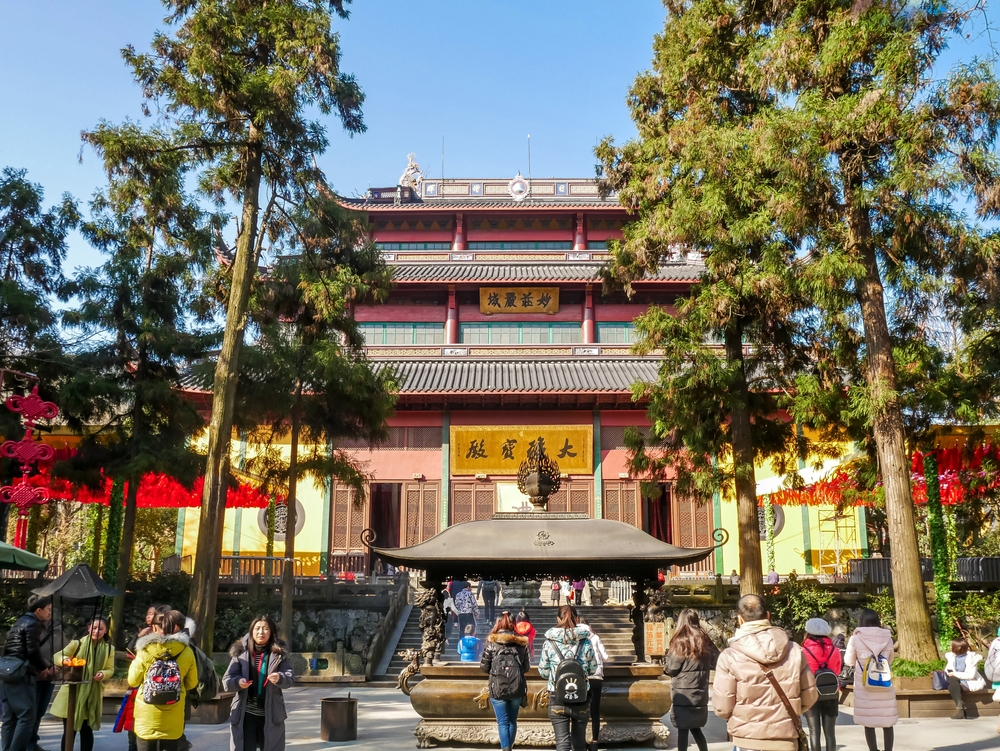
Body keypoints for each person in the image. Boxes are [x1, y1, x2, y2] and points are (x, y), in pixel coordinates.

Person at [712, 594, 817, 751]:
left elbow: (722, 707)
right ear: (768, 615)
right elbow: (810, 696)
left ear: (740, 619)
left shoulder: (730, 656)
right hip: (786, 739)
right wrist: (785, 714)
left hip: (747, 740)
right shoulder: (795, 650)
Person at [128, 611, 198, 751]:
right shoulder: (187, 651)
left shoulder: (144, 650)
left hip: (147, 715)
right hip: (173, 714)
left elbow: (133, 681)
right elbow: (192, 683)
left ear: (154, 628)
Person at [222, 614, 294, 751]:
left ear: (271, 632)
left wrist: (280, 678)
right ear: (251, 631)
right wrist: (238, 682)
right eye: (257, 628)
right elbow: (227, 681)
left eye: (266, 629)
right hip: (245, 714)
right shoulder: (241, 653)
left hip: (271, 714)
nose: (261, 632)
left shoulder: (278, 653)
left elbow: (290, 678)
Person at [49, 617, 115, 751]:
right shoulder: (76, 644)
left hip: (91, 694)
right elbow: (57, 656)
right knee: (69, 732)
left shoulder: (109, 649)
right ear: (89, 628)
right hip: (72, 694)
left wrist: (102, 673)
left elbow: (110, 669)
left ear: (106, 631)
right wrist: (65, 659)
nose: (97, 631)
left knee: (86, 731)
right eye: (94, 628)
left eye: (101, 629)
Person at [538, 605, 598, 751]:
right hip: (581, 696)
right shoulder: (586, 641)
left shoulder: (549, 642)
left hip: (557, 695)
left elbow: (543, 671)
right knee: (579, 742)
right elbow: (593, 669)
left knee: (562, 742)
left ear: (558, 619)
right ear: (577, 619)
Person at [1, 594, 56, 751]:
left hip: (6, 672)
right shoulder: (33, 623)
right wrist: (44, 668)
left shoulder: (20, 622)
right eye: (48, 610)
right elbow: (33, 651)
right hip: (20, 673)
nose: (50, 613)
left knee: (10, 718)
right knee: (27, 716)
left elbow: (8, 649)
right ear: (38, 610)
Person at [663, 609, 718, 751]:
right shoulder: (705, 640)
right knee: (696, 729)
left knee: (683, 730)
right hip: (700, 692)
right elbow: (716, 661)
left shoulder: (680, 641)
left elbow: (672, 668)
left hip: (683, 694)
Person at [845, 609, 897, 751]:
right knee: (887, 721)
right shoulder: (887, 637)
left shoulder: (855, 639)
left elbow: (849, 661)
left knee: (868, 721)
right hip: (883, 682)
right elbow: (890, 659)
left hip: (864, 684)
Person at [480, 611, 531, 751]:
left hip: (497, 689)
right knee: (512, 721)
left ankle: (505, 749)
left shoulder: (492, 644)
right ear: (513, 624)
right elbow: (526, 668)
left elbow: (484, 668)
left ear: (498, 624)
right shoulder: (521, 645)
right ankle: (510, 747)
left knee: (502, 722)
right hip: (517, 687)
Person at [801, 618, 842, 751]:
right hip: (830, 693)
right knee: (830, 733)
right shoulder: (834, 650)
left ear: (807, 632)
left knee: (814, 732)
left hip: (810, 694)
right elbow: (837, 670)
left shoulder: (803, 651)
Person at [578, 617, 609, 751]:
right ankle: (595, 741)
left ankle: (581, 740)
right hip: (596, 676)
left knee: (580, 710)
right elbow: (606, 657)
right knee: (595, 711)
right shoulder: (595, 637)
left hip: (581, 677)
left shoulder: (575, 637)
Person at [944, 637, 986, 719]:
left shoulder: (972, 659)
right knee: (951, 682)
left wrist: (954, 674)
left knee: (952, 682)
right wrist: (950, 673)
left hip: (968, 683)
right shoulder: (952, 657)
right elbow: (947, 670)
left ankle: (960, 706)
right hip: (956, 683)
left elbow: (970, 676)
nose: (950, 647)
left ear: (958, 648)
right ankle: (960, 707)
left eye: (952, 646)